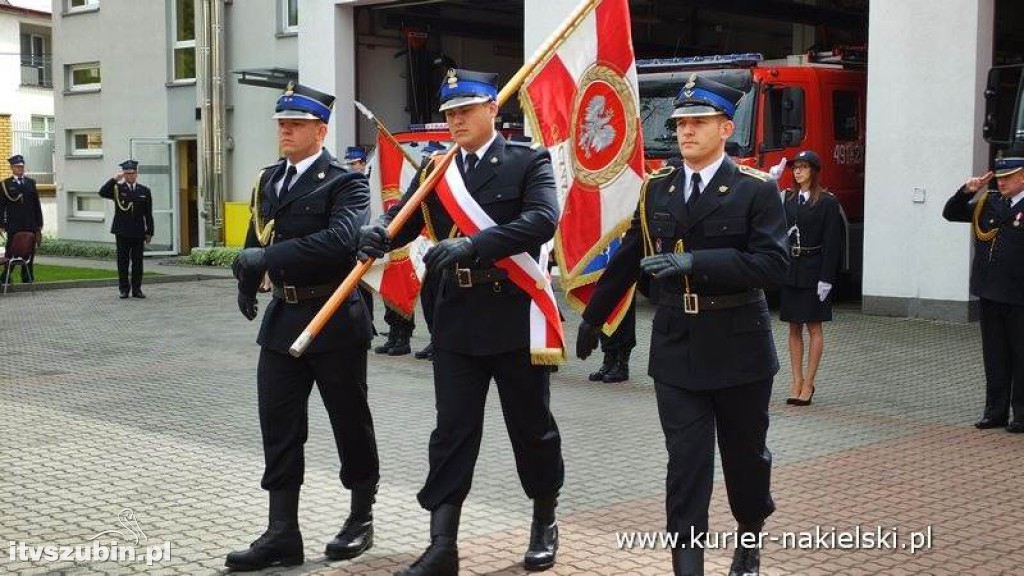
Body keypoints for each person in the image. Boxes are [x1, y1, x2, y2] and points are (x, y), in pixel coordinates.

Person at [576, 74, 788, 576]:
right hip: (677, 346)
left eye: (697, 122)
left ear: (725, 127)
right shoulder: (658, 188)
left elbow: (773, 266)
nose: (685, 131)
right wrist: (592, 316)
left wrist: (697, 261)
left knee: (745, 459)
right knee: (687, 464)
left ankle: (750, 537)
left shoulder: (754, 189)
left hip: (738, 345)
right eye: (680, 123)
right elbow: (628, 257)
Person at [358, 68, 565, 575]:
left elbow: (542, 219)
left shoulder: (527, 160)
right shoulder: (437, 167)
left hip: (513, 315)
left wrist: (474, 244)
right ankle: (442, 544)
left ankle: (544, 518)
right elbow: (404, 216)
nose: (456, 120)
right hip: (455, 321)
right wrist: (379, 232)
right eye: (449, 113)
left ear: (493, 109)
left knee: (531, 428)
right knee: (451, 432)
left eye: (465, 110)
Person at [226, 82, 380, 570]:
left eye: (294, 124)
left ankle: (360, 517)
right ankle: (281, 532)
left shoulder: (345, 181)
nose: (285, 132)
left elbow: (339, 241)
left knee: (348, 422)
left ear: (320, 129)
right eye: (280, 124)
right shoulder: (271, 180)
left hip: (333, 316)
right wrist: (248, 281)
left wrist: (263, 256)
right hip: (283, 320)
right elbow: (259, 235)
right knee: (280, 426)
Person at [943, 149, 1024, 434]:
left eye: (1009, 177)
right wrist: (967, 191)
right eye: (999, 178)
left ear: (1023, 177)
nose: (1002, 183)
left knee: (1020, 355)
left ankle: (1021, 414)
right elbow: (950, 213)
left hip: (1019, 295)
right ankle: (995, 412)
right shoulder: (987, 203)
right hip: (989, 292)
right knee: (995, 355)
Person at [779, 150, 844, 406]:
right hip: (792, 268)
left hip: (814, 268)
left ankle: (809, 382)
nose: (798, 172)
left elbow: (832, 242)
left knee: (813, 327)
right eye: (795, 167)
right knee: (793, 326)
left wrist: (826, 278)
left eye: (803, 167)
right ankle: (795, 380)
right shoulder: (789, 199)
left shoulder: (827, 202)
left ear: (813, 171)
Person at [98, 160, 154, 298]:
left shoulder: (144, 191)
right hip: (122, 231)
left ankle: (137, 289)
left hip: (138, 232)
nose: (130, 176)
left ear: (136, 174)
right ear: (124, 174)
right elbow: (102, 192)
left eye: (132, 173)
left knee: (137, 262)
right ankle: (124, 289)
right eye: (127, 174)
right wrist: (114, 180)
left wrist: (149, 232)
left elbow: (148, 214)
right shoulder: (118, 189)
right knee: (122, 262)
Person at [0, 154, 43, 283]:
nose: (20, 169)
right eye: (17, 167)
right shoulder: (5, 184)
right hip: (14, 224)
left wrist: (39, 223)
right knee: (11, 251)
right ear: (12, 168)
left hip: (30, 223)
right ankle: (6, 277)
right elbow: (1, 206)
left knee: (29, 251)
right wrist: (1, 223)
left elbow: (36, 204)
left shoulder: (30, 182)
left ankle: (27, 277)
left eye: (22, 167)